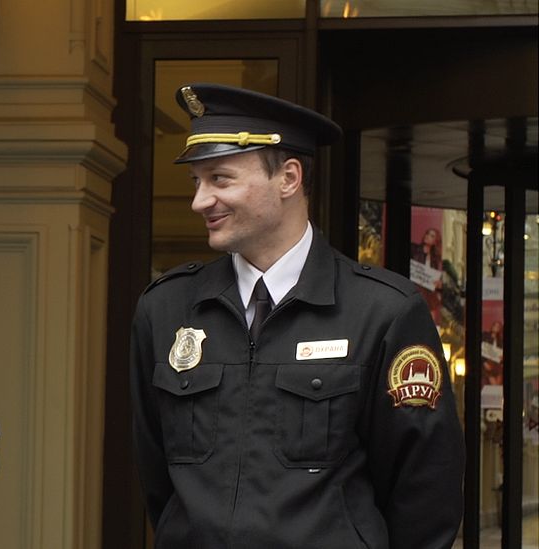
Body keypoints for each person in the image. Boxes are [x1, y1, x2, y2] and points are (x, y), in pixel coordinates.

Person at [130, 83, 464, 549]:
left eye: (220, 179)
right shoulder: (165, 308)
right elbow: (158, 480)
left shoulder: (383, 311)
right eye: (197, 182)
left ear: (288, 178)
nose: (200, 201)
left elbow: (426, 496)